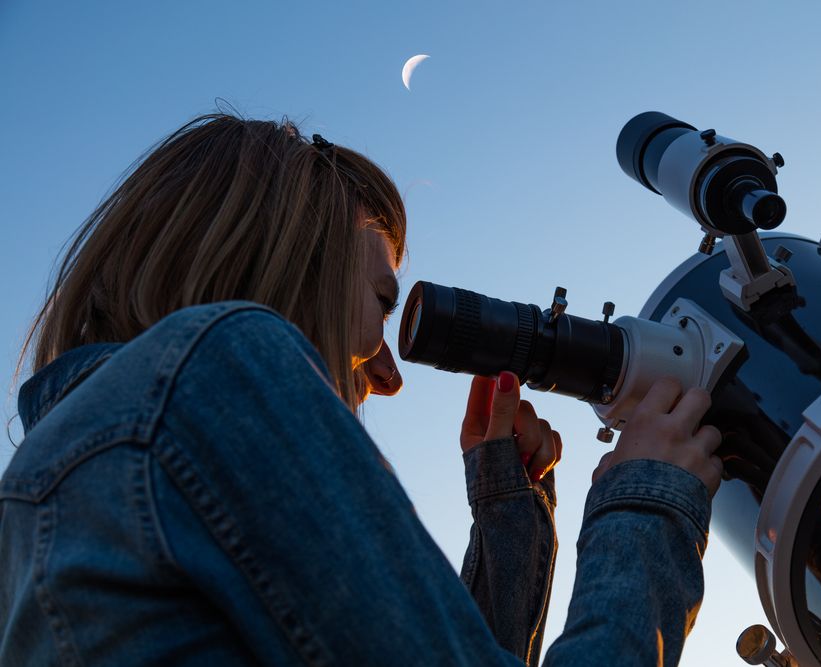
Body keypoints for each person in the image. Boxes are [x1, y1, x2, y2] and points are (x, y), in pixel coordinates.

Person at [0, 113, 723, 666]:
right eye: (382, 301)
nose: (388, 374)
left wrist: (510, 513)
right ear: (291, 263)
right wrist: (648, 500)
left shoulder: (50, 498)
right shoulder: (226, 363)